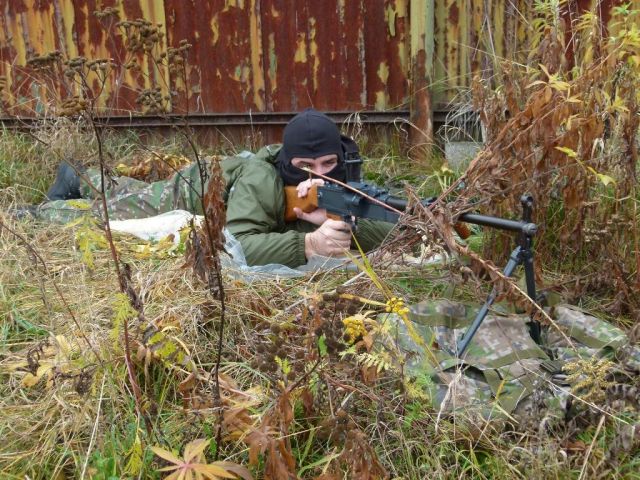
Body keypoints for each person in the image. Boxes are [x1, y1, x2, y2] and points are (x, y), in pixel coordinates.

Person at [29, 109, 394, 267]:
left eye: (328, 163)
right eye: (305, 167)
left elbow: (390, 225)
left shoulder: (344, 175)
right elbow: (237, 243)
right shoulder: (261, 179)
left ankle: (78, 175)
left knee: (125, 192)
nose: (321, 175)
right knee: (113, 213)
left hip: (222, 183)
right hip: (194, 191)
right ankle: (38, 212)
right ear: (288, 163)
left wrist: (337, 219)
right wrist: (309, 244)